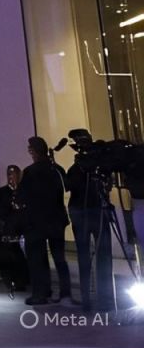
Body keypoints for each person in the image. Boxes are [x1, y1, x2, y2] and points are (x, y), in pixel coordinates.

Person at [17, 136, 71, 306]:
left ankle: (41, 293)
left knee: (37, 259)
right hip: (56, 219)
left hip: (36, 220)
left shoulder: (30, 172)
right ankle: (65, 293)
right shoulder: (56, 169)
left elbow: (22, 196)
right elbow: (64, 188)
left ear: (33, 151)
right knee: (59, 257)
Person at [64, 130, 115, 311]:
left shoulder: (100, 166)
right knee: (84, 256)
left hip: (98, 212)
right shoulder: (76, 169)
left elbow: (107, 184)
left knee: (104, 256)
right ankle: (87, 298)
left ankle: (105, 298)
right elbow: (69, 186)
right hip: (82, 213)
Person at [0, 164, 28, 294]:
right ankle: (11, 280)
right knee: (5, 251)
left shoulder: (24, 190)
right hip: (10, 227)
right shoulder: (2, 192)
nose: (11, 176)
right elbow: (1, 212)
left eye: (14, 173)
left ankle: (23, 280)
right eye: (9, 174)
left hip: (23, 226)